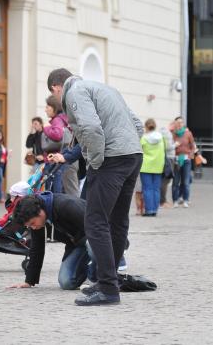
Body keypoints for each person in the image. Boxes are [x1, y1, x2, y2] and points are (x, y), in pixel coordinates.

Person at [60, 71, 143, 306]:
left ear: (59, 88)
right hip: (132, 155)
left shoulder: (75, 92)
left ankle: (107, 289)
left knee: (95, 221)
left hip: (111, 159)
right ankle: (110, 281)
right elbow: (136, 124)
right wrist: (127, 147)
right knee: (117, 222)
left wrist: (95, 162)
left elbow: (90, 128)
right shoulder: (107, 89)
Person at [8, 193, 94, 291]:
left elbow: (97, 228)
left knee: (92, 245)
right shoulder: (39, 220)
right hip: (77, 245)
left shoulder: (67, 205)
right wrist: (29, 281)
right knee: (66, 282)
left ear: (40, 212)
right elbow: (37, 249)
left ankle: (102, 277)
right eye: (29, 226)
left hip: (97, 237)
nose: (33, 227)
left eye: (32, 223)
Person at [42, 95, 69, 193]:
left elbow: (58, 134)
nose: (45, 110)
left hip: (54, 160)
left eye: (47, 107)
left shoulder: (57, 120)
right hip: (57, 160)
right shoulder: (59, 119)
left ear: (54, 107)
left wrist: (45, 128)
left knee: (54, 191)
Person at [139, 119, 165, 217]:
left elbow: (140, 150)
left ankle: (149, 210)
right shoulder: (161, 138)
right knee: (156, 189)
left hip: (146, 166)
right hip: (158, 166)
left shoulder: (144, 138)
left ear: (146, 126)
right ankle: (155, 210)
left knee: (147, 189)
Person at [172, 116, 195, 208]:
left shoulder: (188, 133)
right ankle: (175, 200)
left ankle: (185, 200)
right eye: (178, 122)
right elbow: (169, 146)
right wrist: (174, 146)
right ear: (175, 124)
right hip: (176, 160)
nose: (180, 124)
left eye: (181, 122)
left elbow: (193, 146)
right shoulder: (173, 134)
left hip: (186, 160)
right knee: (176, 182)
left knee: (185, 181)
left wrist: (190, 156)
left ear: (183, 123)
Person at [160, 124, 176, 208]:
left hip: (164, 158)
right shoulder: (168, 134)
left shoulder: (161, 132)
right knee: (166, 180)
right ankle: (163, 201)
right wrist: (176, 144)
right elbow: (168, 147)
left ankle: (162, 200)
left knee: (163, 180)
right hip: (169, 159)